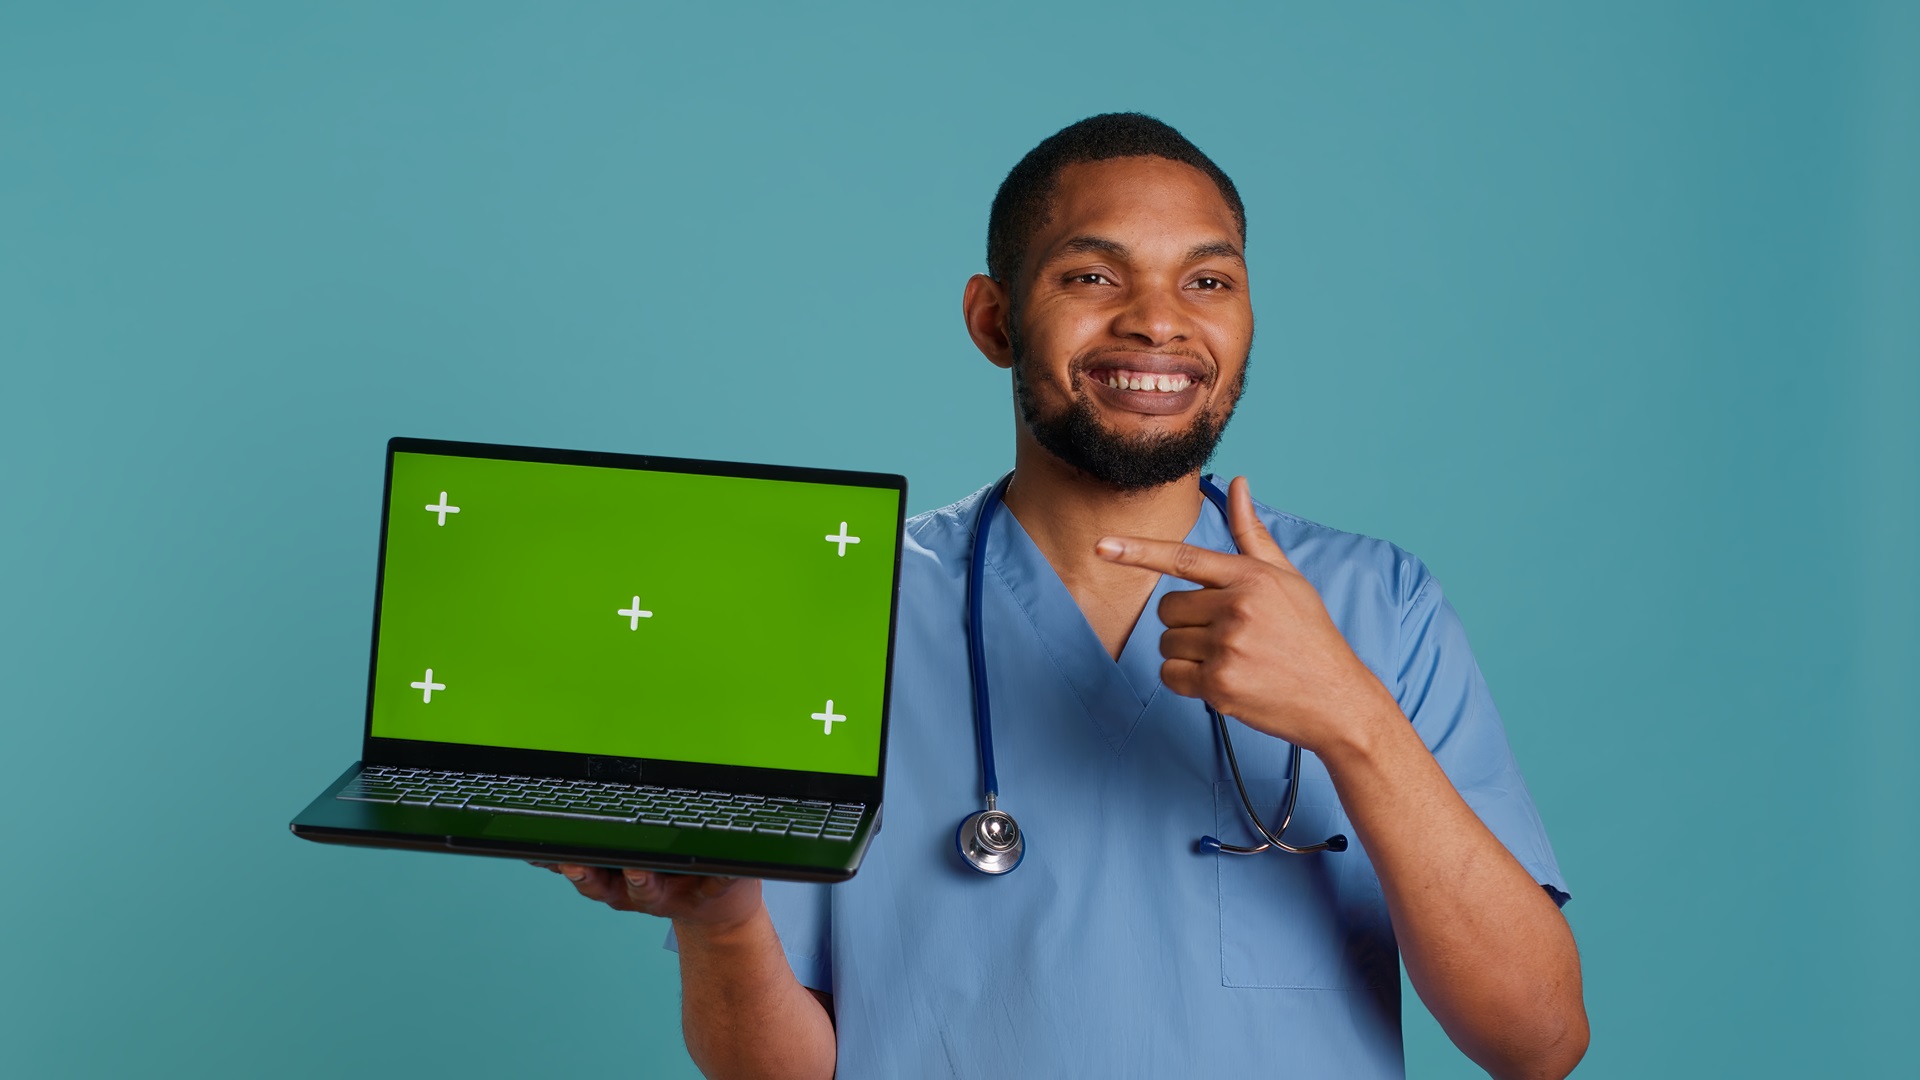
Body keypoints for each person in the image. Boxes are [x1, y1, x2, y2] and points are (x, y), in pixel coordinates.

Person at [538, 113, 1589, 1079]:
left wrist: (1354, 720)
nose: (1158, 324)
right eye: (1093, 276)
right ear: (994, 320)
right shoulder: (840, 612)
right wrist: (721, 920)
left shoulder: (1378, 605)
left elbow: (1536, 1042)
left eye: (1208, 282)